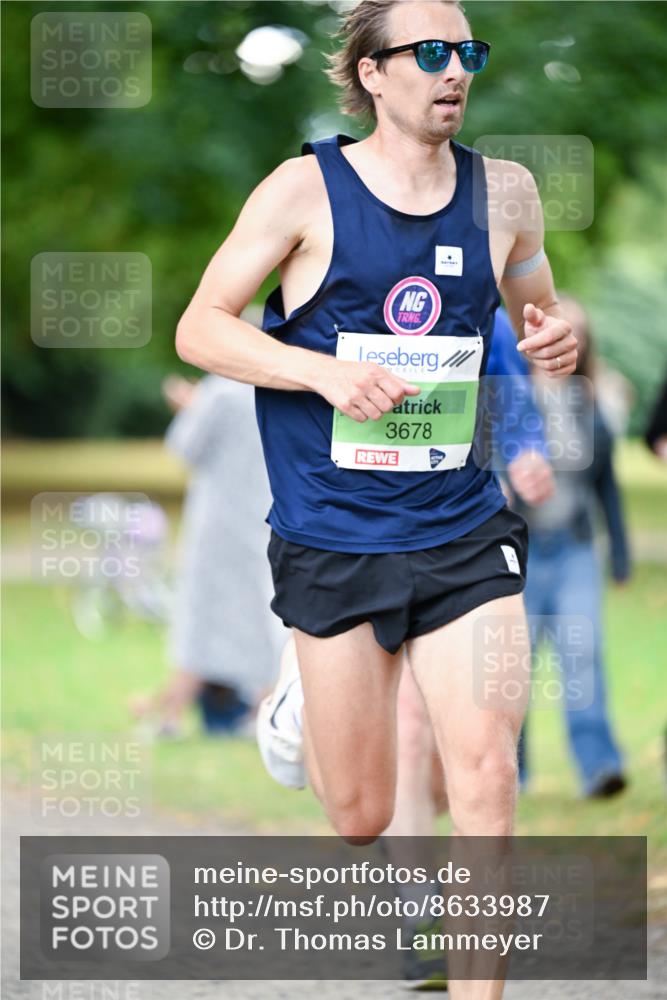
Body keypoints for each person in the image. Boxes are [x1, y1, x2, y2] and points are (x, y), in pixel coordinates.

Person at [176, 3, 576, 995]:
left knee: (483, 778)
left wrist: (553, 341)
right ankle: (297, 698)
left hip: (462, 525)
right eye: (430, 53)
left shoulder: (507, 192)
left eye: (467, 54)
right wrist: (318, 374)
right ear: (370, 73)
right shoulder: (301, 192)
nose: (454, 71)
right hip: (332, 532)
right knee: (358, 812)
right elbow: (200, 329)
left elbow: (535, 301)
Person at [516, 296, 630, 798]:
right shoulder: (511, 395)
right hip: (519, 553)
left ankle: (598, 766)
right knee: (511, 666)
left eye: (576, 336)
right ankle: (510, 773)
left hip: (576, 550)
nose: (566, 344)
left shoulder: (590, 402)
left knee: (583, 655)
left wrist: (621, 553)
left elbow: (608, 485)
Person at [131, 373, 287, 736]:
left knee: (199, 617)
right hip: (268, 514)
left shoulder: (219, 393)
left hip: (217, 523)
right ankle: (262, 709)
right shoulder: (282, 386)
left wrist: (190, 406)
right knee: (261, 616)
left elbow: (184, 447)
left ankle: (170, 714)